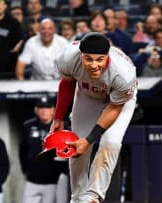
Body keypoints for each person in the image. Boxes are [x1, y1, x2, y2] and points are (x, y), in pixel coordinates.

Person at [50, 32, 137, 203]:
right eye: (88, 59)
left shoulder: (123, 73)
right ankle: (78, 198)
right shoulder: (68, 57)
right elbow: (67, 83)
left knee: (110, 142)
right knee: (76, 145)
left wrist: (90, 139)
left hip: (119, 102)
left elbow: (113, 108)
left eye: (99, 59)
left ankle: (93, 196)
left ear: (107, 56)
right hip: (88, 94)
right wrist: (58, 117)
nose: (94, 65)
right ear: (80, 55)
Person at [19, 96, 68, 203]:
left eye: (47, 107)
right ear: (35, 110)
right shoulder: (28, 126)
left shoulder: (62, 126)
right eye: (40, 107)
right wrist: (25, 169)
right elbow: (23, 149)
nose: (44, 110)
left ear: (53, 110)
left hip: (53, 181)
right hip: (32, 180)